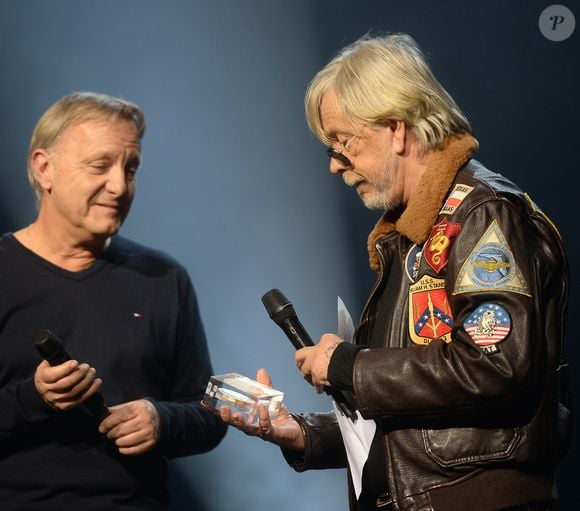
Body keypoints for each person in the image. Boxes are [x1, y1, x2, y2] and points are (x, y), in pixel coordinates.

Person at [217, 34, 572, 510]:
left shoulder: (482, 214)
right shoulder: (412, 236)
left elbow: (495, 364)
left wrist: (347, 365)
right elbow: (417, 415)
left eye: (342, 143)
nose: (335, 165)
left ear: (396, 129)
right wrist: (301, 433)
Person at [0, 92, 227, 510]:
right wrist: (33, 398)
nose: (120, 186)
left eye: (131, 168)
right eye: (100, 165)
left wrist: (162, 419)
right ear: (44, 168)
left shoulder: (163, 279)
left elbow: (209, 415)